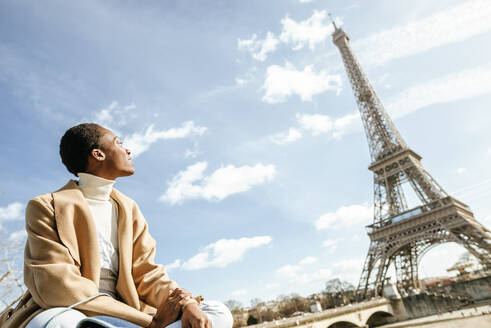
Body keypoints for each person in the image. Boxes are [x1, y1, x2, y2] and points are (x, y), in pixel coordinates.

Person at [1, 123, 233, 328]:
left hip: (128, 310)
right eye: (119, 142)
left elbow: (148, 274)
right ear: (98, 154)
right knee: (54, 323)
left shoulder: (128, 208)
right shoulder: (45, 206)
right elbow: (57, 285)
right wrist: (152, 323)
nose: (128, 149)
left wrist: (187, 304)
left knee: (217, 312)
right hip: (76, 310)